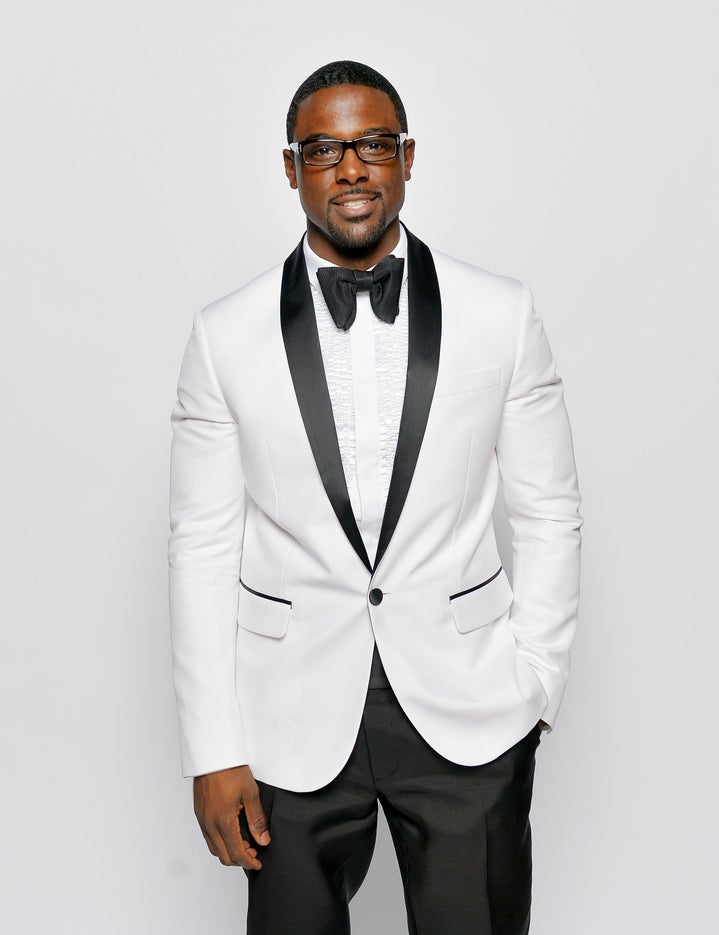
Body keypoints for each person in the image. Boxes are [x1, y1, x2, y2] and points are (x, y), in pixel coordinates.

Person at [168, 60, 582, 935]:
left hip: (469, 713)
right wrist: (214, 749)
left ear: (407, 158)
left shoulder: (500, 313)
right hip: (287, 722)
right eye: (324, 149)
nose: (351, 168)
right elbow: (201, 546)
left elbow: (548, 508)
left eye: (373, 144)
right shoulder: (223, 336)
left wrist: (535, 681)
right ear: (291, 169)